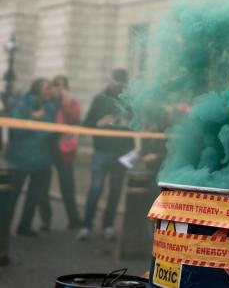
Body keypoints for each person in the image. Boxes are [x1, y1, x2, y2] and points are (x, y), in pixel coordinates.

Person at [78, 68, 134, 241]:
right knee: (95, 188)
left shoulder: (130, 101)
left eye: (121, 83)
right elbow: (86, 124)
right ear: (110, 81)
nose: (118, 87)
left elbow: (137, 125)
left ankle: (108, 226)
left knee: (116, 191)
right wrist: (97, 123)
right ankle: (86, 225)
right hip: (101, 151)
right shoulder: (99, 99)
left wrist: (128, 124)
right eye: (116, 82)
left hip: (122, 153)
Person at [6, 78, 56, 236]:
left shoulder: (50, 107)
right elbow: (16, 130)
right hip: (20, 160)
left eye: (49, 89)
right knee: (11, 197)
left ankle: (24, 227)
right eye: (46, 88)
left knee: (33, 198)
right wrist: (33, 118)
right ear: (37, 90)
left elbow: (50, 130)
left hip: (41, 161)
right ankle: (3, 228)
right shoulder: (22, 104)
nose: (49, 92)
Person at [37, 75, 82, 230]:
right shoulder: (46, 103)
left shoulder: (72, 103)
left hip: (64, 151)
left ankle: (74, 219)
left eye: (63, 86)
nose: (60, 89)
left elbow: (74, 118)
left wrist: (66, 102)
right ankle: (46, 220)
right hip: (46, 150)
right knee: (43, 187)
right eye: (57, 85)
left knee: (67, 187)